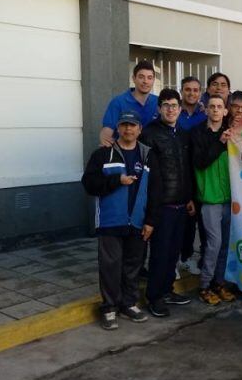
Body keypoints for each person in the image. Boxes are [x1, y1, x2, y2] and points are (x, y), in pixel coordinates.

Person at [82, 111, 160, 330]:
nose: (128, 129)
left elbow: (156, 190)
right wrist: (117, 180)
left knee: (133, 266)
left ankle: (129, 303)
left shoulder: (148, 155)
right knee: (110, 266)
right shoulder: (102, 154)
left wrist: (150, 221)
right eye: (124, 125)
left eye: (132, 125)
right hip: (110, 221)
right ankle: (109, 308)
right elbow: (89, 183)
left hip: (138, 221)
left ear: (139, 129)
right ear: (118, 128)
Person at [139, 88, 195, 317]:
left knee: (173, 254)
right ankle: (154, 297)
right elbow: (147, 175)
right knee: (160, 254)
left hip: (181, 205)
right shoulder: (149, 134)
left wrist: (189, 197)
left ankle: (168, 289)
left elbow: (187, 169)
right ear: (159, 108)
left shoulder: (183, 134)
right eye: (166, 105)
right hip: (160, 207)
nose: (170, 109)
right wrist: (150, 211)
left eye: (174, 105)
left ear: (180, 109)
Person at [190, 94, 237, 306]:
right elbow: (200, 162)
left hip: (230, 199)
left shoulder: (234, 134)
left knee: (225, 244)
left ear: (225, 111)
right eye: (212, 106)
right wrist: (219, 143)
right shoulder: (198, 133)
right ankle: (205, 285)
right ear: (206, 110)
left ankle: (219, 283)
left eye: (220, 106)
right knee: (213, 244)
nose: (216, 110)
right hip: (209, 199)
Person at [99, 61, 159, 147]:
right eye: (141, 77)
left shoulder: (158, 102)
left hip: (152, 153)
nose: (145, 81)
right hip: (125, 152)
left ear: (153, 80)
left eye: (149, 78)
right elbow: (107, 131)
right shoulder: (118, 102)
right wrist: (105, 139)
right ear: (134, 79)